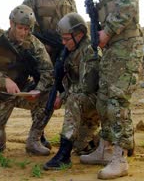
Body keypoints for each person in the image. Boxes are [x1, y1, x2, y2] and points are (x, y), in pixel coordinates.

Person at [73, 0, 144, 179]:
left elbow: (128, 6)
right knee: (104, 99)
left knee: (116, 101)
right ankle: (105, 148)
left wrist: (108, 31)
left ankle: (120, 158)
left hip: (126, 47)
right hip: (115, 49)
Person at [0, 5, 54, 155]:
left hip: (22, 92)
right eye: (20, 28)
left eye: (27, 29)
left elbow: (48, 71)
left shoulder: (34, 44)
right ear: (11, 23)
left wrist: (38, 89)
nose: (24, 32)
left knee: (49, 96)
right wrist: (4, 81)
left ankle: (34, 140)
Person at [22, 0, 79, 151]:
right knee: (45, 90)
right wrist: (38, 45)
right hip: (42, 49)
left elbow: (75, 18)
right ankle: (39, 134)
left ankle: (76, 135)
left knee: (70, 87)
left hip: (63, 48)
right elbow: (24, 21)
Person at [43, 13, 100, 170]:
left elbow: (87, 86)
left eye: (66, 39)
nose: (63, 42)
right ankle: (112, 141)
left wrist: (63, 96)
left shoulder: (90, 50)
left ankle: (63, 154)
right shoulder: (70, 50)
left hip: (95, 101)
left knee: (73, 98)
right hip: (85, 104)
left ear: (79, 34)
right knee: (81, 147)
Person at [23, 0, 77, 64]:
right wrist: (40, 45)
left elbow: (75, 20)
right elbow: (22, 18)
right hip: (40, 43)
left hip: (63, 45)